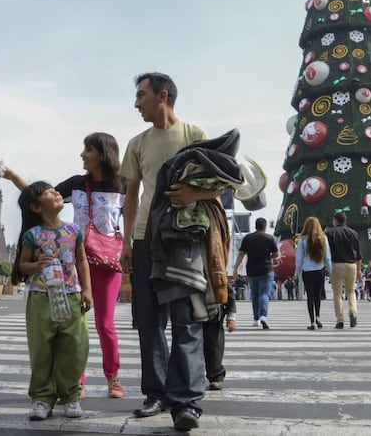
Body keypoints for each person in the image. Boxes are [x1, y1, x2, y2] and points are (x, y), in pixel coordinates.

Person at [119, 72, 217, 431]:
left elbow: (221, 187)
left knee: (186, 319)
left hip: (184, 240)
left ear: (162, 96)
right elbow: (131, 197)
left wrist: (194, 195)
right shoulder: (137, 143)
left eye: (141, 95)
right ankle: (156, 393)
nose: (136, 103)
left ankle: (186, 401)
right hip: (146, 239)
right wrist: (128, 241)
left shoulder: (195, 135)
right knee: (149, 321)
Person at [1, 131, 126, 399]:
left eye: (87, 150)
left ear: (103, 154)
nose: (82, 154)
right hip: (75, 260)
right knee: (72, 323)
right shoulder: (77, 183)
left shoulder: (123, 185)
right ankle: (74, 381)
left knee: (105, 323)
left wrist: (132, 252)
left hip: (108, 262)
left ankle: (112, 377)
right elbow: (39, 197)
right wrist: (14, 178)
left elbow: (138, 213)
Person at [13, 181, 93, 420]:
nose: (57, 192)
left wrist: (87, 290)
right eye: (49, 192)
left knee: (75, 347)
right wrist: (36, 265)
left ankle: (70, 396)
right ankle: (42, 398)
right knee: (42, 349)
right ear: (36, 207)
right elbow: (22, 265)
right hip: (40, 297)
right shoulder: (32, 235)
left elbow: (82, 262)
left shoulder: (73, 231)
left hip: (71, 294)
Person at [233, 217, 279, 329]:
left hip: (252, 270)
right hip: (266, 269)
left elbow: (241, 254)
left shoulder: (248, 238)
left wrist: (235, 268)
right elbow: (276, 254)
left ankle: (255, 319)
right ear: (265, 226)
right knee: (264, 293)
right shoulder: (269, 238)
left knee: (254, 294)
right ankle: (263, 316)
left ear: (256, 226)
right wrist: (270, 256)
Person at [324, 212, 362, 329]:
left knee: (337, 294)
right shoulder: (354, 233)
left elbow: (327, 252)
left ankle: (340, 320)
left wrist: (327, 267)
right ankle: (353, 311)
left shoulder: (329, 233)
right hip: (352, 265)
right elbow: (359, 255)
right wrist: (359, 270)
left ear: (335, 220)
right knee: (351, 291)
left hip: (336, 265)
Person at [294, 216, 332, 330]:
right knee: (317, 296)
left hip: (307, 271)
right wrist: (330, 270)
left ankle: (312, 322)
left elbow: (299, 259)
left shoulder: (302, 240)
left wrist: (296, 273)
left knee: (310, 296)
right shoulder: (323, 238)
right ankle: (318, 317)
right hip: (319, 270)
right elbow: (327, 257)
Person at [203, 284, 236, 392]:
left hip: (214, 316)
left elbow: (229, 295)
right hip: (190, 311)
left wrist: (231, 317)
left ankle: (216, 377)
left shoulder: (216, 269)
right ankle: (189, 378)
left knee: (214, 349)